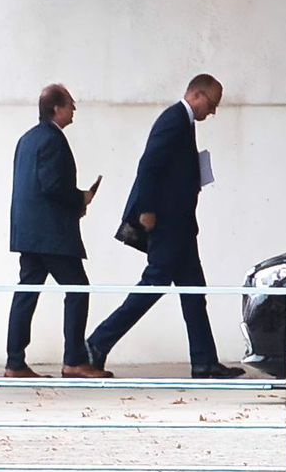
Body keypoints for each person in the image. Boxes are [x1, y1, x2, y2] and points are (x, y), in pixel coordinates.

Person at [87, 73, 244, 379]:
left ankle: (205, 362)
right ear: (196, 95)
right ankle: (95, 345)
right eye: (212, 104)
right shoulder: (173, 120)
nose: (213, 111)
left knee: (194, 292)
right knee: (152, 286)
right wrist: (146, 209)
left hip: (181, 227)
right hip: (168, 226)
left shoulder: (184, 122)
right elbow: (148, 165)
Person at [5, 84, 105, 378]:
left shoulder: (27, 139)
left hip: (28, 233)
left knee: (26, 293)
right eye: (71, 104)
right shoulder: (53, 140)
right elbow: (52, 186)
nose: (74, 109)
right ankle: (74, 360)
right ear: (56, 108)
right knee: (78, 289)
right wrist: (81, 198)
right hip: (51, 236)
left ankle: (14, 362)